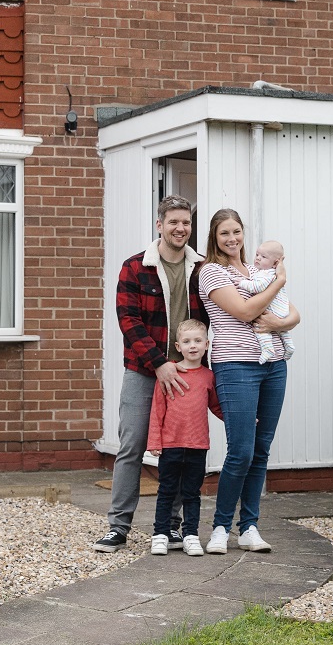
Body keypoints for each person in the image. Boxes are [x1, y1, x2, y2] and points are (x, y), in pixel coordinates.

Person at [94, 195, 208, 553]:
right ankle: (118, 526)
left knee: (180, 450)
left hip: (186, 376)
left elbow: (217, 316)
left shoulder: (202, 269)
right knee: (131, 446)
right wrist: (159, 363)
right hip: (144, 371)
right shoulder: (135, 267)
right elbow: (128, 321)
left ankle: (171, 526)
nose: (180, 228)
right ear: (160, 225)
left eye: (186, 222)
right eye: (173, 222)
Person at [197, 209, 299, 554]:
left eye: (236, 231)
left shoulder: (257, 269)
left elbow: (294, 314)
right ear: (214, 236)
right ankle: (221, 527)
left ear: (243, 233)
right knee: (240, 450)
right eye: (224, 233)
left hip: (274, 364)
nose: (232, 239)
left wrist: (278, 325)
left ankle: (249, 527)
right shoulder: (211, 271)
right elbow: (242, 311)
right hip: (236, 366)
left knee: (260, 449)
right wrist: (280, 282)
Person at [147, 319, 221, 558]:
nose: (193, 346)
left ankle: (190, 535)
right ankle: (160, 535)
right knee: (167, 490)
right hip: (171, 444)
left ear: (207, 344)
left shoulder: (209, 377)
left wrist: (242, 419)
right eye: (187, 341)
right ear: (178, 346)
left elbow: (217, 407)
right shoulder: (169, 373)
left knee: (192, 493)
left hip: (198, 445)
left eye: (198, 341)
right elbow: (157, 411)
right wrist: (154, 443)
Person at [234, 240, 295, 364]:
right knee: (282, 330)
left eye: (263, 257)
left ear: (275, 263)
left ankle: (267, 349)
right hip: (282, 310)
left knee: (260, 327)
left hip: (272, 310)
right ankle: (289, 346)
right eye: (257, 255)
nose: (258, 258)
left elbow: (257, 287)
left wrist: (241, 282)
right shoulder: (274, 275)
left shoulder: (265, 274)